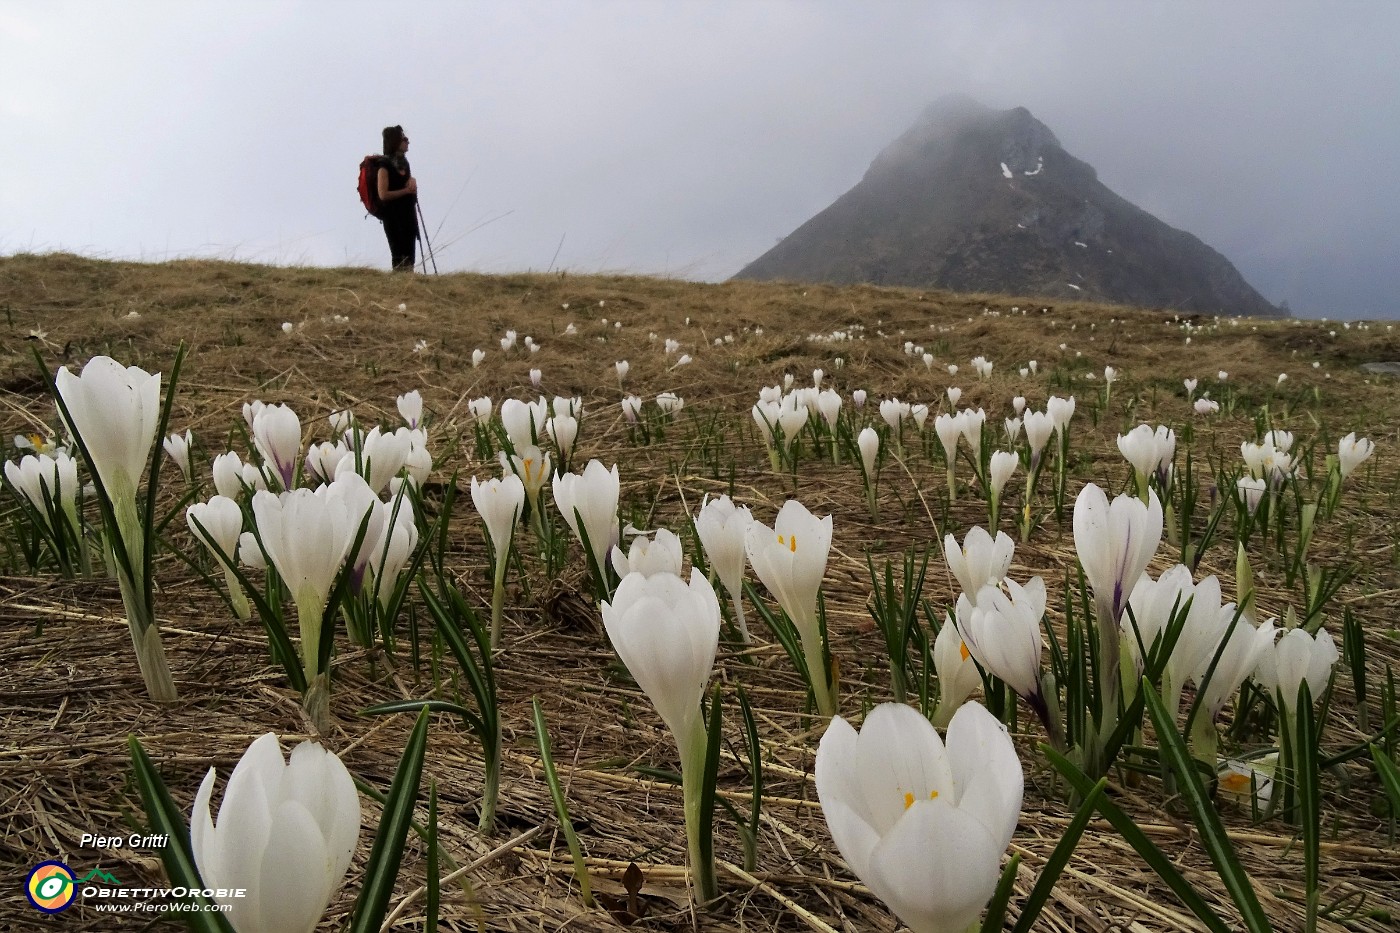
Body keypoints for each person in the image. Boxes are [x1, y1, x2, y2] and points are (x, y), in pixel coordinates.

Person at [377, 125, 419, 272]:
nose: (407, 142)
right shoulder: (384, 165)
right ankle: (401, 287)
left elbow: (406, 182)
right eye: (404, 139)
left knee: (409, 257)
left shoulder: (404, 164)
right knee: (399, 256)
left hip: (408, 216)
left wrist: (411, 180)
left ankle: (407, 287)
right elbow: (383, 194)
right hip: (393, 218)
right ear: (395, 141)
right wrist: (406, 191)